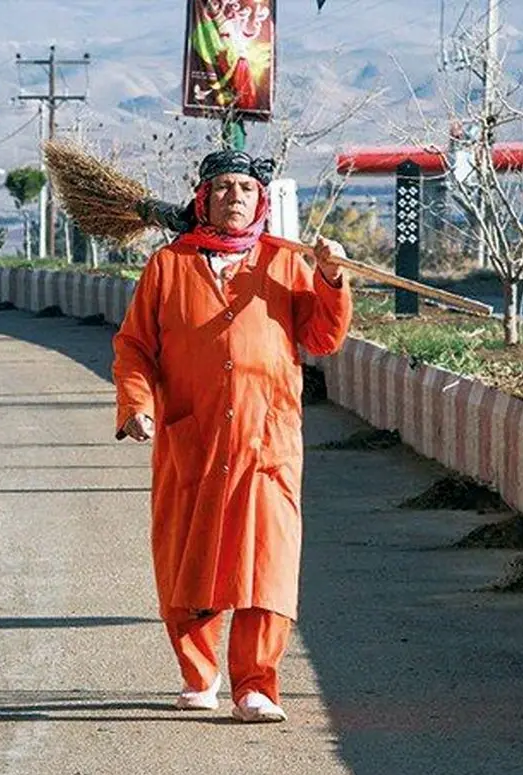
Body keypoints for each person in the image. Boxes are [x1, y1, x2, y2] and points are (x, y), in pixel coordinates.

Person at [112, 149, 352, 724]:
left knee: (265, 563)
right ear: (203, 199)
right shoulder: (169, 266)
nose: (235, 197)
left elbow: (322, 338)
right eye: (222, 188)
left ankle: (257, 684)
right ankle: (199, 674)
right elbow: (135, 348)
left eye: (246, 188)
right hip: (190, 439)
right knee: (190, 560)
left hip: (267, 440)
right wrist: (136, 406)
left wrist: (332, 278)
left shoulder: (285, 262)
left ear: (261, 200)